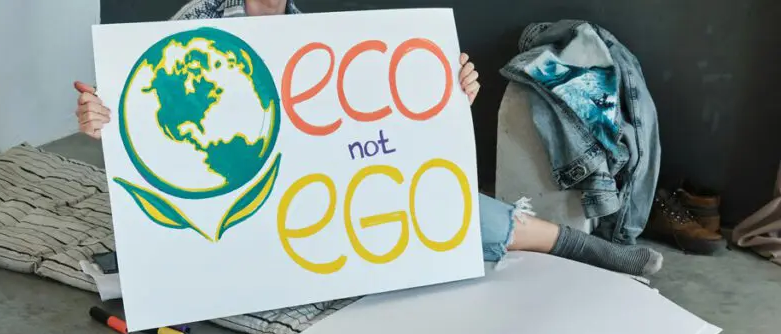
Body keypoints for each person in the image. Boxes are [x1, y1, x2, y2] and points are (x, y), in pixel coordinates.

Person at [73, 0, 663, 277]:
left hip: (314, 187)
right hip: (234, 195)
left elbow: (383, 130)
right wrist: (102, 117)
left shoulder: (321, 35)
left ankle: (585, 249)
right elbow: (151, 124)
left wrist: (448, 98)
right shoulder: (197, 23)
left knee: (437, 206)